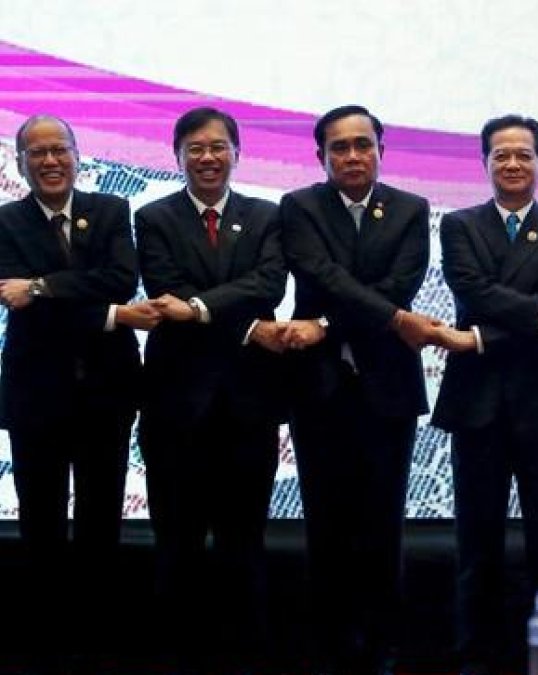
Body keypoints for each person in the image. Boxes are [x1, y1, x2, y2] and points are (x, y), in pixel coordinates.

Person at [279, 104, 443, 674]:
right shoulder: (298, 207)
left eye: (362, 145)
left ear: (380, 148)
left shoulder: (410, 208)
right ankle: (329, 642)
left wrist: (326, 325)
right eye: (339, 147)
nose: (352, 155)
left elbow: (401, 284)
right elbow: (319, 274)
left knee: (383, 522)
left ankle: (383, 644)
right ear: (321, 155)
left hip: (386, 390)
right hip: (318, 389)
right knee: (326, 521)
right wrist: (389, 317)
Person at [431, 114, 538, 675]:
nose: (513, 164)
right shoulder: (457, 225)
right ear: (485, 163)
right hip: (477, 404)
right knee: (478, 543)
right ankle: (476, 654)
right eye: (501, 155)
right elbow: (474, 291)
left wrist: (477, 337)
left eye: (524, 154)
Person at [135, 106, 288, 671]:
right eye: (195, 148)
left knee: (244, 541)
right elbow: (165, 293)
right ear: (177, 156)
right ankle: (178, 653)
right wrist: (241, 320)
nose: (207, 157)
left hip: (250, 406)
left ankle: (247, 654)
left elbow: (268, 282)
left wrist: (199, 307)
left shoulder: (267, 215)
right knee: (176, 542)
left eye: (218, 146)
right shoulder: (153, 218)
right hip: (177, 408)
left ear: (237, 153)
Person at [0, 114, 152, 666]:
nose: (49, 161)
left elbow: (119, 280)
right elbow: (23, 311)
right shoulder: (5, 221)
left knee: (100, 517)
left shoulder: (110, 211)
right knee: (40, 522)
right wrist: (114, 316)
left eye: (59, 150)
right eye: (36, 153)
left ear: (77, 154)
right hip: (35, 395)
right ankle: (45, 637)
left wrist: (41, 285)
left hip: (107, 394)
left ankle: (97, 636)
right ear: (20, 164)